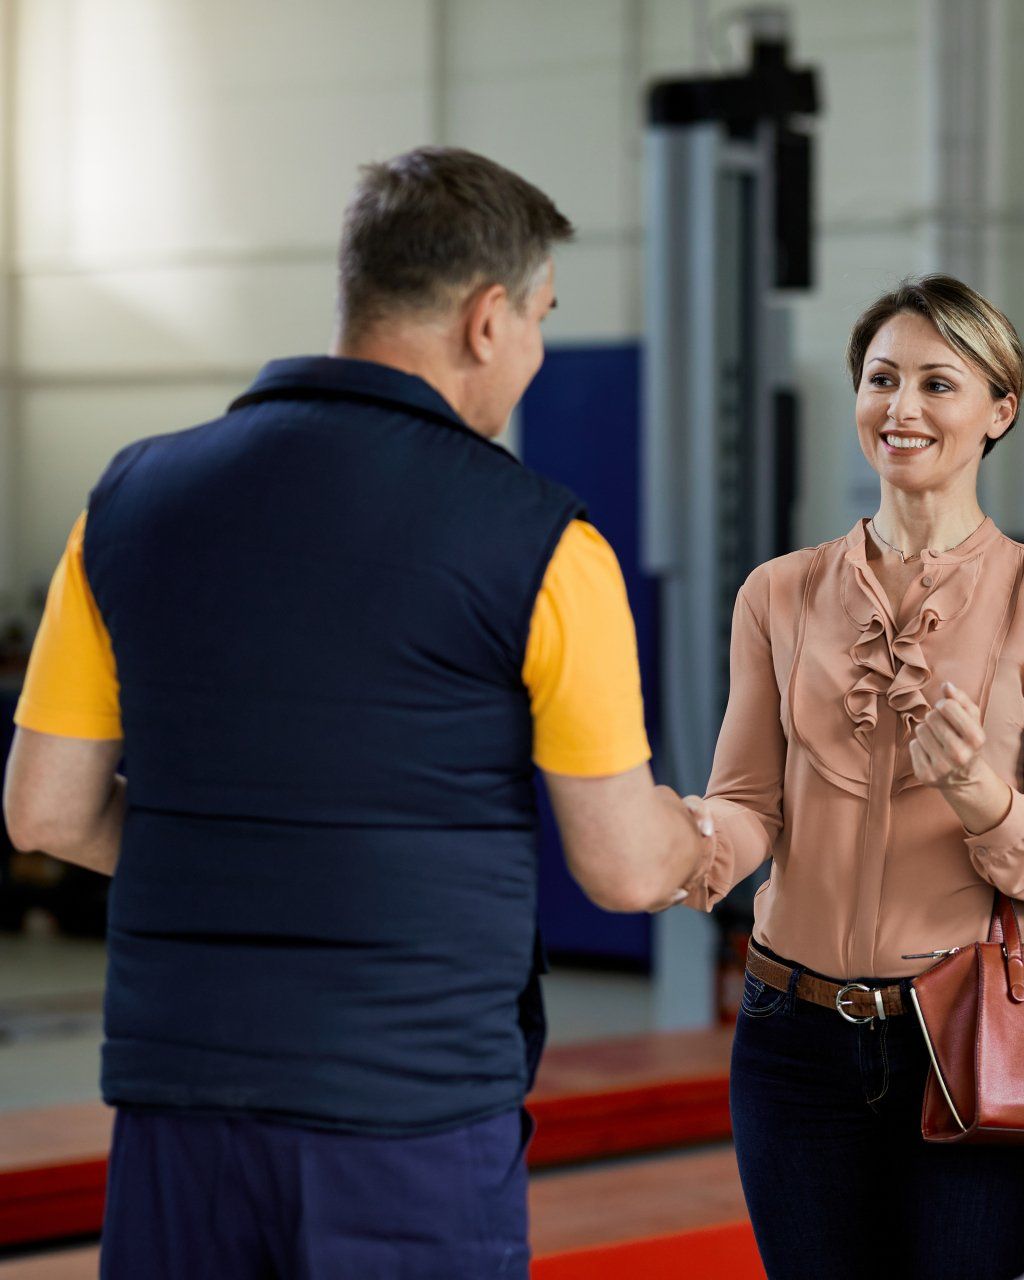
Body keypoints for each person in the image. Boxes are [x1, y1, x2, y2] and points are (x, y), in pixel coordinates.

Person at [1, 147, 706, 1278]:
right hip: (409, 1115)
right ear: (488, 319)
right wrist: (708, 832)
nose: (531, 353)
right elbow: (626, 869)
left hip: (177, 1098)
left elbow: (42, 810)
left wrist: (225, 854)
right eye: (539, 319)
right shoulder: (543, 543)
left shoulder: (129, 498)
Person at [677, 275, 1024, 1280]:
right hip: (791, 1036)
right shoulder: (776, 593)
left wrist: (979, 795)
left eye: (936, 383)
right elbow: (746, 801)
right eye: (881, 379)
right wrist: (689, 842)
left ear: (1000, 408)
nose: (900, 409)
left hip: (974, 1036)